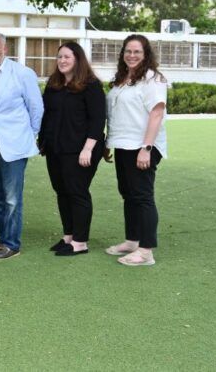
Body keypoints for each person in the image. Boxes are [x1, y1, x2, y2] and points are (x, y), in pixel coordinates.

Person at [0, 32, 43, 260]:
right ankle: (3, 237)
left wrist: (30, 135)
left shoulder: (23, 74)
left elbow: (36, 108)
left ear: (5, 48)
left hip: (14, 144)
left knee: (12, 197)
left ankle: (12, 243)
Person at [38, 42, 106, 257]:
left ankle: (80, 242)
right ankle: (68, 236)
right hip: (56, 149)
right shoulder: (54, 84)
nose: (62, 61)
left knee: (77, 193)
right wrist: (44, 141)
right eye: (59, 57)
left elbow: (97, 120)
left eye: (67, 57)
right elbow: (47, 114)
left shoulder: (91, 85)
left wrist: (88, 149)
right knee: (62, 192)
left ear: (78, 59)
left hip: (81, 151)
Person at [105, 34, 167, 267]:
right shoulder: (123, 79)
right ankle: (132, 241)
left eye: (137, 52)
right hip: (123, 145)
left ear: (146, 54)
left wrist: (146, 148)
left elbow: (157, 113)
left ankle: (146, 251)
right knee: (128, 195)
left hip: (142, 146)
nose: (131, 55)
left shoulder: (153, 79)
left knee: (142, 197)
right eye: (128, 51)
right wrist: (109, 142)